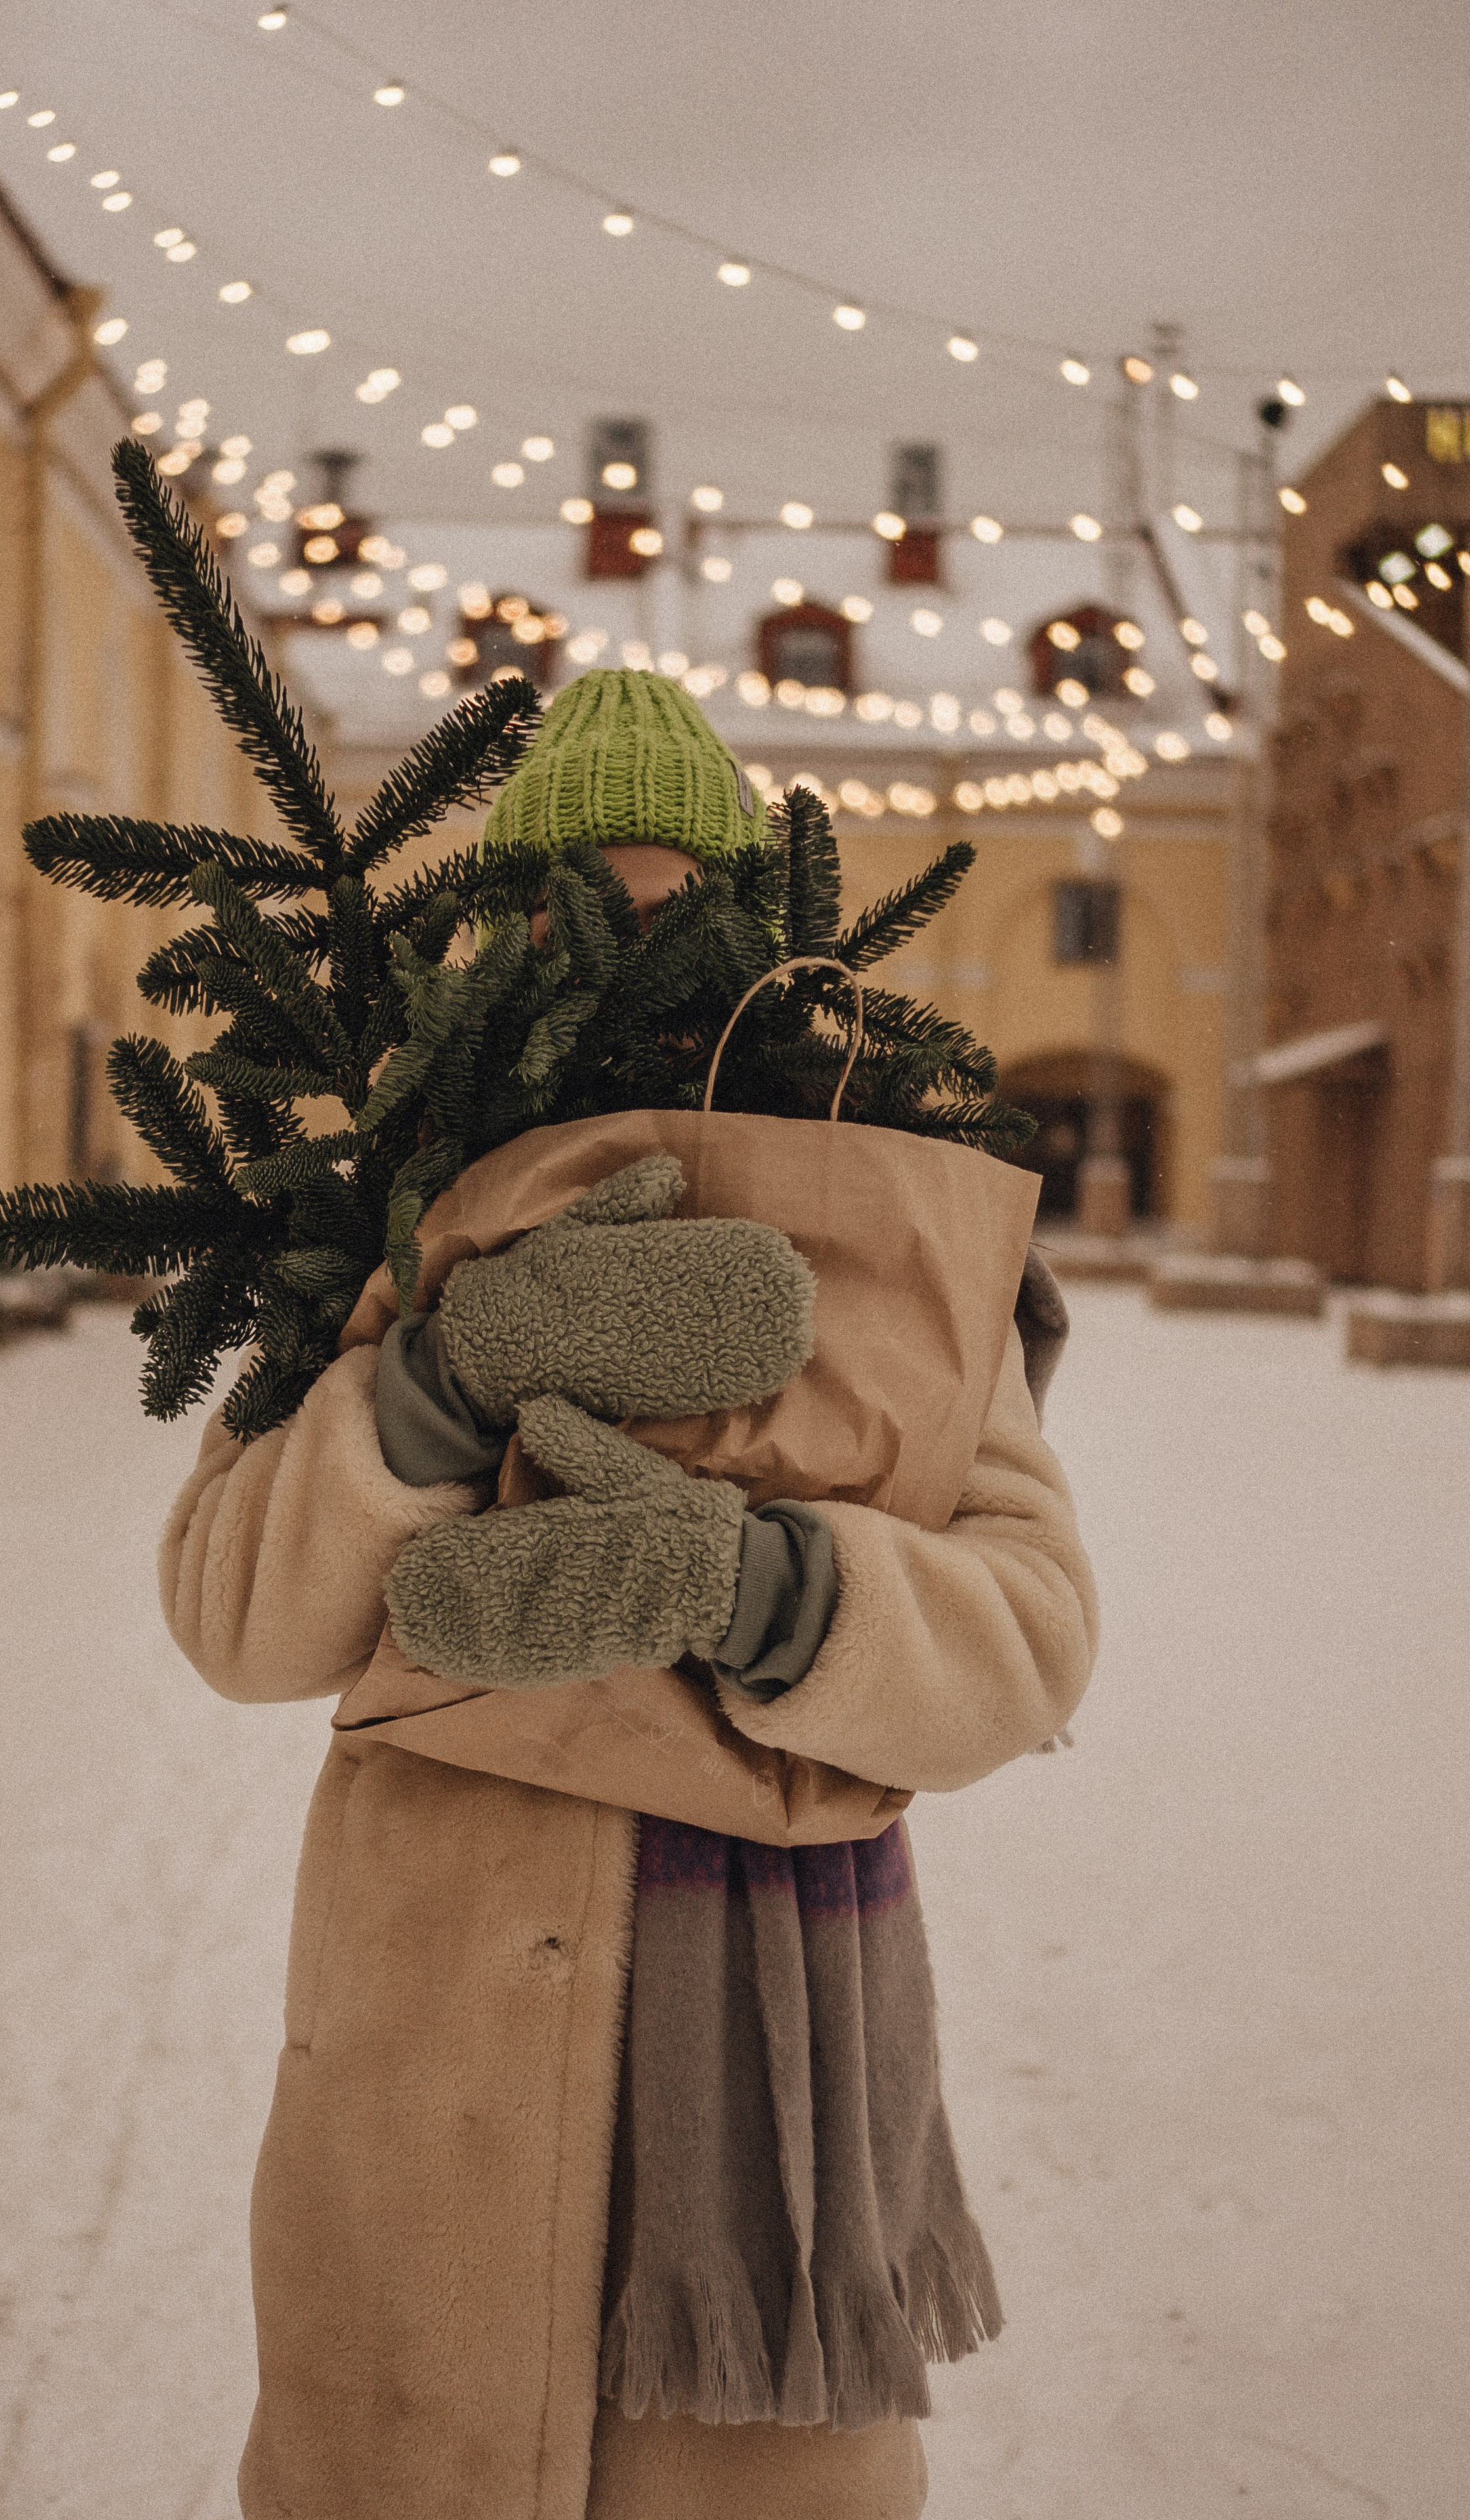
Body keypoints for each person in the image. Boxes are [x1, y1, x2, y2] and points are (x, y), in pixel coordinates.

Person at [161, 672, 1098, 2519]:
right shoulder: (384, 1223)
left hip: (762, 2076)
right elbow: (231, 1617)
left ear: (755, 934)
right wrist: (430, 1384)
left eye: (671, 914)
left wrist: (762, 1587)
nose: (619, 957)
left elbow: (1033, 1632)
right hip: (429, 2050)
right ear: (498, 935)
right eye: (574, 909)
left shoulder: (883, 1240)